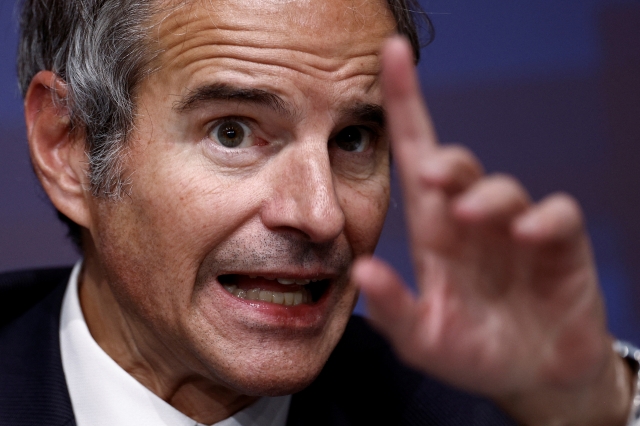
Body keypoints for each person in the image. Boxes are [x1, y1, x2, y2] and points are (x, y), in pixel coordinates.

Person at [1, 0, 638, 425]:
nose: (321, 213)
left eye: (354, 140)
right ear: (71, 148)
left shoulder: (476, 408)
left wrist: (598, 403)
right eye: (233, 132)